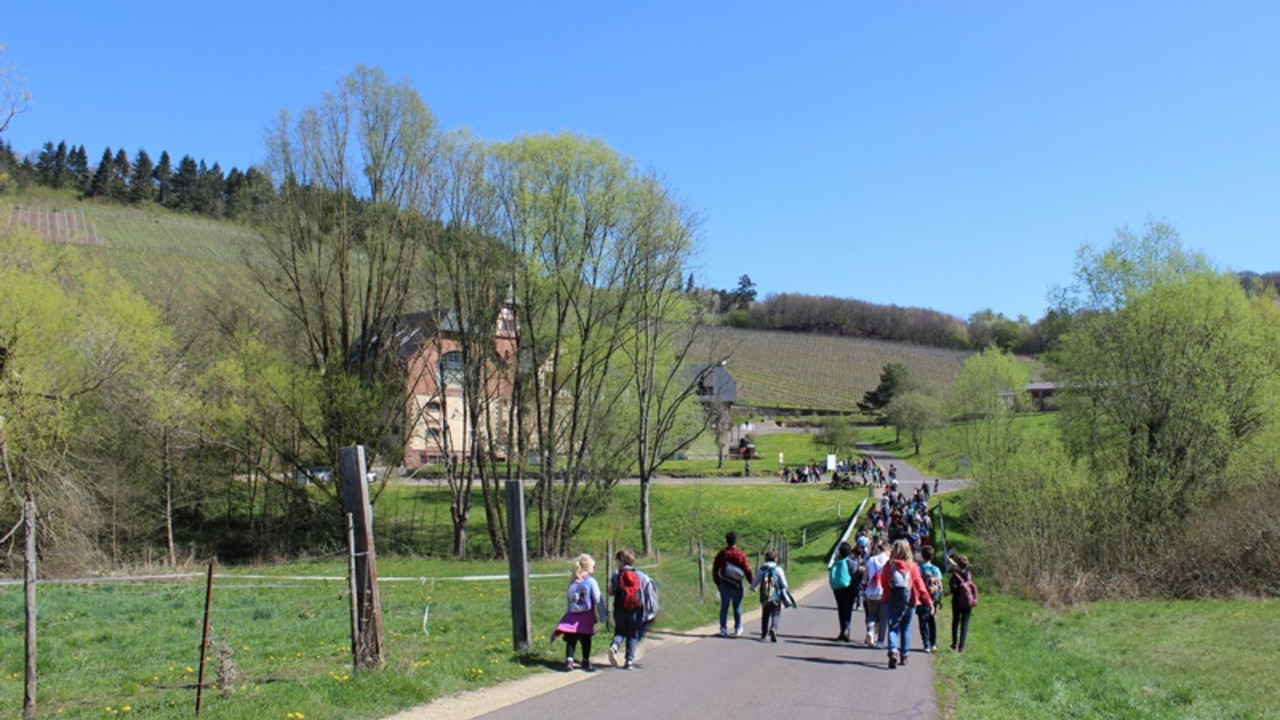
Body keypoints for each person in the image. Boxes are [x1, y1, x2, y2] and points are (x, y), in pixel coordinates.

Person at [880, 539, 933, 668]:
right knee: (906, 628)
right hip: (910, 601)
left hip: (893, 600)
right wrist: (929, 602)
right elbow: (920, 586)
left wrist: (885, 598)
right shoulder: (913, 567)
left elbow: (884, 582)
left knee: (893, 626)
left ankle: (893, 651)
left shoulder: (889, 565)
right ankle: (904, 655)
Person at [551, 553, 602, 671]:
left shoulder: (573, 581)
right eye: (593, 566)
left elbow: (569, 599)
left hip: (572, 615)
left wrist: (569, 612)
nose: (594, 569)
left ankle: (569, 660)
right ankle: (585, 660)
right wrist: (602, 613)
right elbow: (597, 597)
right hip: (587, 616)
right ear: (587, 567)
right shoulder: (591, 581)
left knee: (571, 638)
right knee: (586, 639)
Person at [606, 549, 650, 669]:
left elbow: (610, 592)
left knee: (620, 631)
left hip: (620, 608)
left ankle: (614, 647)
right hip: (635, 609)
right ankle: (629, 661)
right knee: (633, 634)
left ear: (620, 561)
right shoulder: (639, 574)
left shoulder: (616, 574)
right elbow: (645, 590)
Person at [712, 531, 753, 637]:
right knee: (737, 607)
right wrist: (752, 583)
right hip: (737, 584)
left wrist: (717, 582)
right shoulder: (740, 555)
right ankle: (738, 627)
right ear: (736, 541)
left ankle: (723, 628)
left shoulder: (722, 554)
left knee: (724, 607)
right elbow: (747, 569)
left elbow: (715, 569)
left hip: (724, 583)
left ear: (727, 541)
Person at [751, 550, 789, 642]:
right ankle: (774, 628)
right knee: (776, 613)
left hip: (764, 596)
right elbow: (784, 584)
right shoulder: (778, 569)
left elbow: (754, 583)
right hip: (776, 595)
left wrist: (753, 588)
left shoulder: (761, 570)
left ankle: (764, 633)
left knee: (765, 614)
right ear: (775, 559)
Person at [828, 541, 860, 642]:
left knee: (841, 610)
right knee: (847, 610)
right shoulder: (851, 562)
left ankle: (842, 631)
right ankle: (846, 630)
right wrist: (857, 593)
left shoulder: (837, 561)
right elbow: (855, 577)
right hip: (848, 589)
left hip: (838, 589)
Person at [860, 539, 889, 647]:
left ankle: (870, 632)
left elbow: (865, 577)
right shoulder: (889, 561)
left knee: (871, 615)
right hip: (883, 593)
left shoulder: (871, 560)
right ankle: (880, 641)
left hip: (871, 592)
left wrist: (862, 589)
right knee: (883, 618)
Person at [916, 546, 943, 653]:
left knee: (922, 621)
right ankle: (933, 643)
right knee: (931, 620)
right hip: (933, 598)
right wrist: (939, 598)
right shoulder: (935, 569)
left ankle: (926, 643)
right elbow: (940, 585)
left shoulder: (919, 569)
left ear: (922, 556)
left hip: (922, 598)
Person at [948, 554, 976, 653]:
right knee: (965, 623)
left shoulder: (955, 575)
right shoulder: (969, 574)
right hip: (968, 601)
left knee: (956, 621)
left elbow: (953, 588)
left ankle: (954, 643)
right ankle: (962, 646)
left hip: (957, 601)